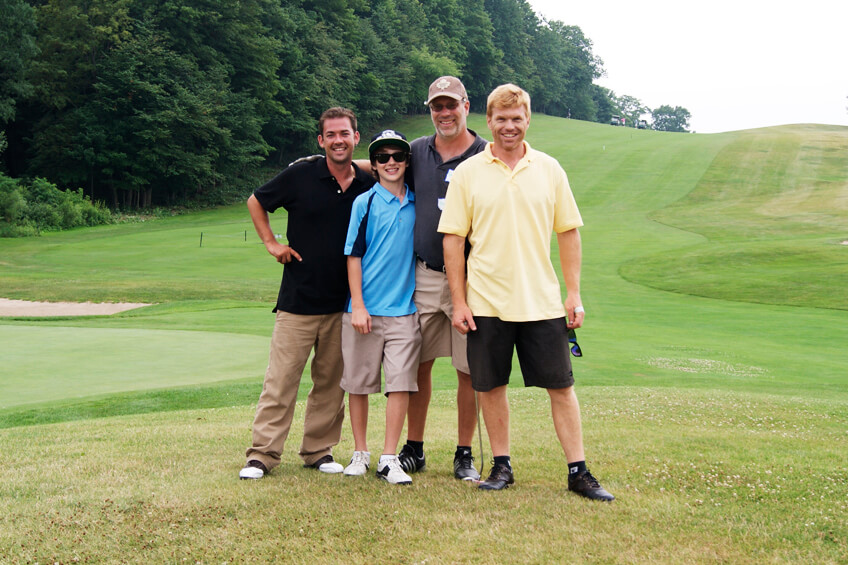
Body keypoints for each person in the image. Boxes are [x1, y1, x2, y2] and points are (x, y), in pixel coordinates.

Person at [438, 84, 614, 500]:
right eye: (501, 119)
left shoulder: (549, 169)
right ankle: (501, 466)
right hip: (486, 302)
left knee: (561, 387)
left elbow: (568, 233)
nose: (509, 126)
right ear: (489, 121)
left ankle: (578, 471)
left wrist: (574, 294)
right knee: (492, 387)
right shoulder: (468, 173)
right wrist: (459, 301)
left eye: (517, 118)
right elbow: (452, 241)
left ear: (528, 119)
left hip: (541, 301)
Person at [239, 107, 375, 480]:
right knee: (281, 381)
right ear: (321, 140)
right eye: (330, 135)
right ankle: (262, 455)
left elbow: (392, 162)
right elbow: (256, 200)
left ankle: (318, 450)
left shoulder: (366, 182)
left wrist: (363, 163)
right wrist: (271, 243)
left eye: (344, 133)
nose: (338, 140)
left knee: (331, 384)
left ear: (355, 137)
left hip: (343, 304)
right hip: (298, 301)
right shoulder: (302, 173)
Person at [397, 76, 488, 481]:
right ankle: (414, 448)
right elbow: (382, 163)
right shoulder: (417, 151)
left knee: (468, 369)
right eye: (437, 106)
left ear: (467, 106)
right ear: (430, 109)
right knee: (419, 363)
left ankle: (464, 452)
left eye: (452, 104)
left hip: (474, 280)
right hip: (426, 275)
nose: (445, 113)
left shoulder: (486, 154)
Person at [340, 130, 420, 485]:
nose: (391, 162)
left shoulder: (417, 202)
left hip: (404, 310)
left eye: (398, 156)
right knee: (358, 384)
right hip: (364, 310)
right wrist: (358, 304)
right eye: (383, 157)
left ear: (406, 161)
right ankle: (361, 452)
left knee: (400, 383)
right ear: (373, 165)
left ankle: (390, 458)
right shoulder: (365, 203)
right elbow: (353, 256)